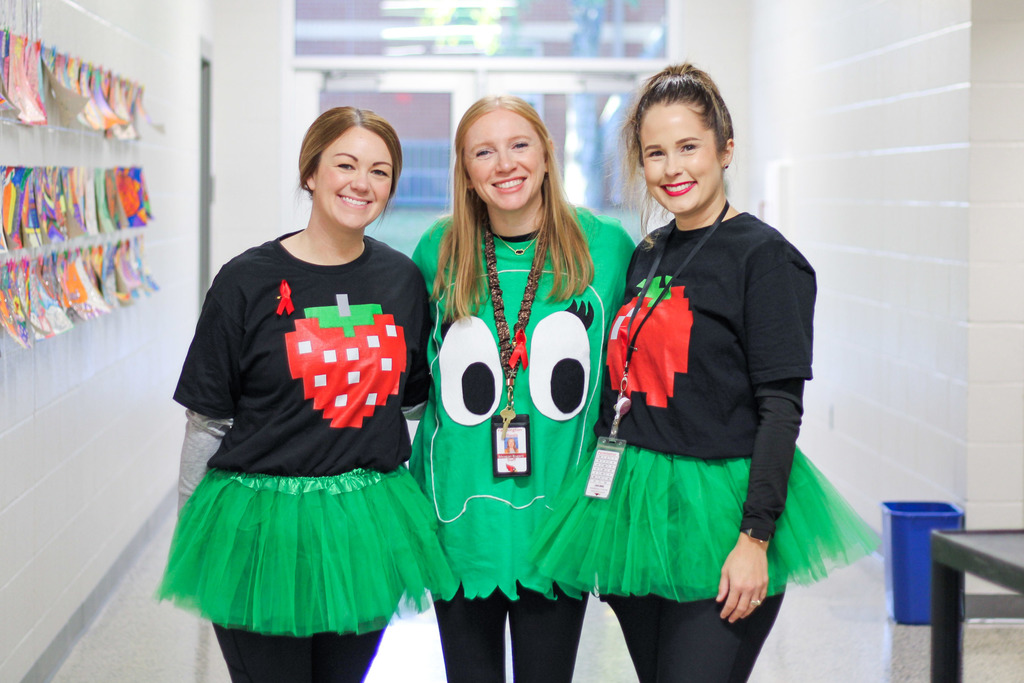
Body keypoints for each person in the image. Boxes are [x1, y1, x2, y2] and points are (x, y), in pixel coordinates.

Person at [528, 64, 879, 683]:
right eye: (655, 153)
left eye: (688, 147)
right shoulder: (648, 253)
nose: (672, 169)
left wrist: (754, 540)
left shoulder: (765, 258)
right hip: (638, 509)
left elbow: (780, 409)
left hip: (724, 516)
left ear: (726, 149)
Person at [157, 106, 456, 683]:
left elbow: (415, 403)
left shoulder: (402, 282)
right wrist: (193, 533)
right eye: (345, 164)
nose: (362, 183)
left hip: (365, 524)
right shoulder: (246, 281)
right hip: (261, 527)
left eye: (380, 171)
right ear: (311, 173)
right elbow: (207, 422)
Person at [410, 95, 635, 683]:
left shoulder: (606, 247)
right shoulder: (439, 249)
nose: (503, 164)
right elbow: (411, 377)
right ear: (465, 169)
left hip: (557, 515)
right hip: (459, 518)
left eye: (519, 145)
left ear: (545, 154)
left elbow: (631, 372)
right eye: (483, 151)